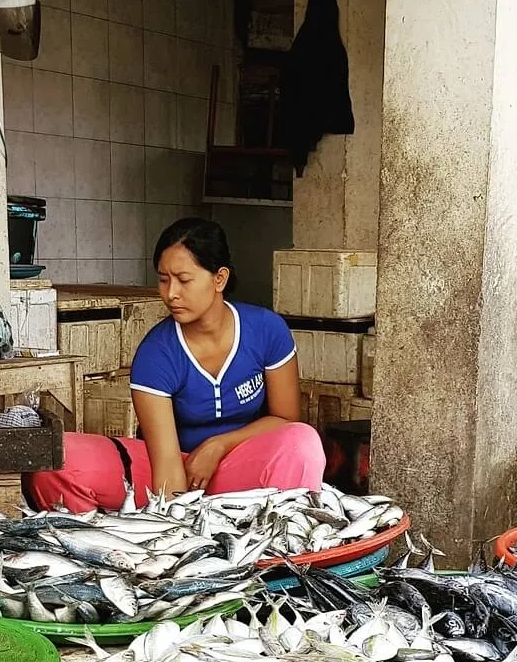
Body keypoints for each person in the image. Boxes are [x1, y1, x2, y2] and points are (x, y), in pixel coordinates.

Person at [27, 218, 326, 512]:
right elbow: (167, 465)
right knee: (55, 460)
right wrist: (177, 528)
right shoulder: (157, 353)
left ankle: (272, 532)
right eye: (163, 279)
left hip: (243, 467)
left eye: (183, 280)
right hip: (168, 467)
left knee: (302, 442)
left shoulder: (266, 329)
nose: (170, 293)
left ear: (219, 279)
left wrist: (217, 446)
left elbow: (286, 419)